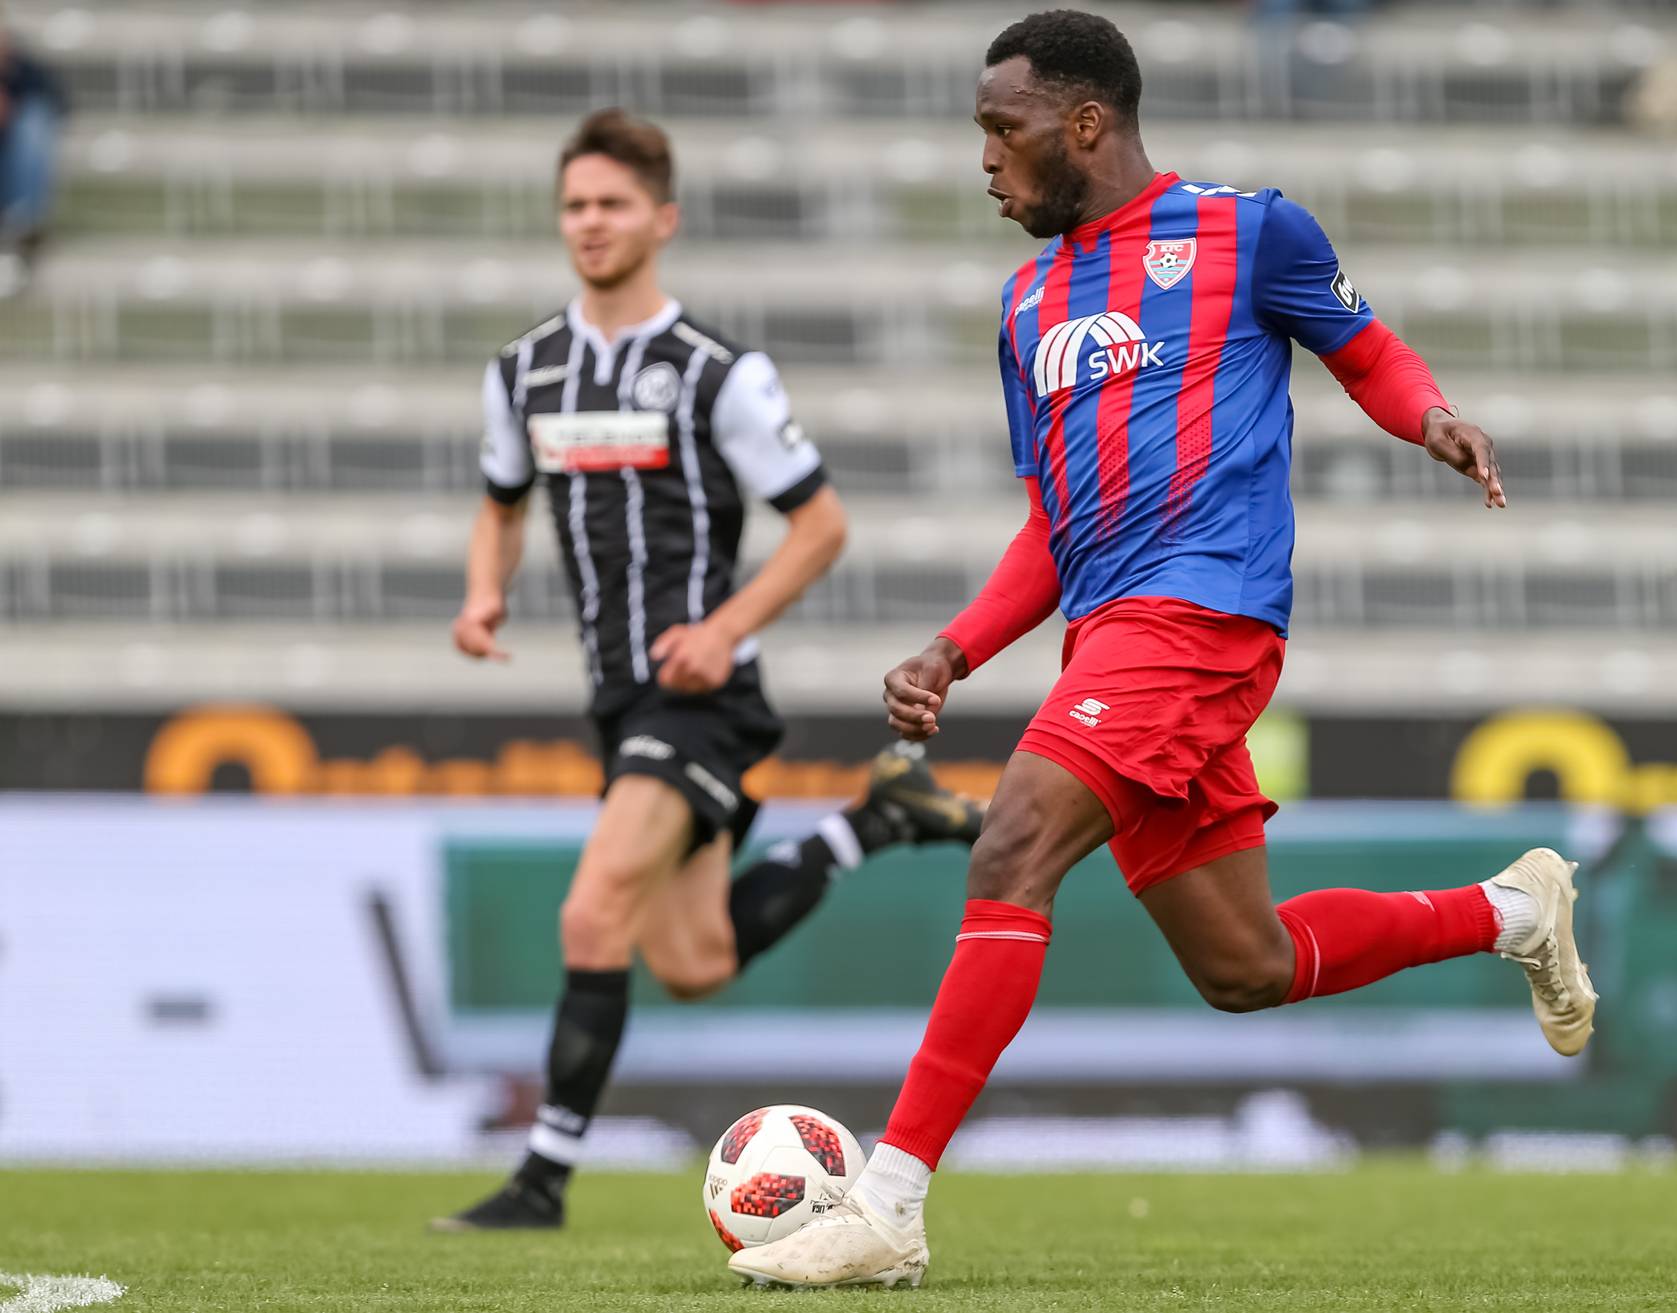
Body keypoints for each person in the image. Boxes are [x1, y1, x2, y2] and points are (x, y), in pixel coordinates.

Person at [726, 11, 1597, 1289]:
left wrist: (1433, 417)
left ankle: (889, 1201)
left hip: (1201, 613)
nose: (986, 159)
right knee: (1245, 964)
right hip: (1110, 633)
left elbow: (1367, 350)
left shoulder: (1249, 231)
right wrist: (954, 649)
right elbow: (1052, 525)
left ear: (1084, 122)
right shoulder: (1029, 303)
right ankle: (1513, 910)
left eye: (1002, 128)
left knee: (1012, 845)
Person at [432, 109, 984, 1231]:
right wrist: (484, 591)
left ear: (663, 219)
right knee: (692, 958)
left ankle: (540, 1180)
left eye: (613, 203)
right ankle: (873, 822)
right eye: (576, 205)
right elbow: (500, 505)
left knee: (593, 912)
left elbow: (821, 525)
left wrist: (724, 628)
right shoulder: (525, 370)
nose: (591, 222)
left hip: (700, 699)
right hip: (618, 697)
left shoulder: (716, 373)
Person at [0, 16, 66, 290]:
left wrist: (12, 106)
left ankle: (23, 227)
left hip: (14, 174)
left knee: (34, 122)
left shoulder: (25, 72)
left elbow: (59, 103)